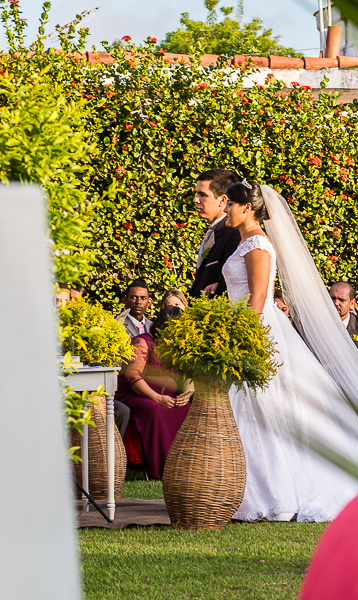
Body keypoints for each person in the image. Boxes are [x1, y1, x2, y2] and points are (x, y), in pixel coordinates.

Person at [221, 180, 358, 522]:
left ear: (247, 208)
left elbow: (257, 299)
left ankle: (273, 493)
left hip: (256, 330)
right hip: (251, 326)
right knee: (257, 407)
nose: (225, 208)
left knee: (265, 406)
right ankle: (250, 487)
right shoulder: (243, 241)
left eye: (230, 203)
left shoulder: (256, 244)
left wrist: (239, 337)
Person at [114, 306, 191, 480]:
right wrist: (157, 398)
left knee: (190, 410)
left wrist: (186, 394)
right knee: (155, 410)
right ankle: (162, 470)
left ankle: (186, 466)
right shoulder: (143, 342)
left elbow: (188, 375)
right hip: (136, 395)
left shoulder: (182, 346)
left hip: (167, 397)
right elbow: (132, 377)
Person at [189, 169, 242, 299]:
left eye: (203, 194)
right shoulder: (212, 230)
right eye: (196, 194)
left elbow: (233, 282)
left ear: (222, 200)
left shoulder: (234, 234)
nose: (195, 199)